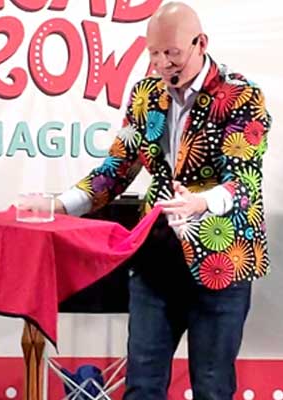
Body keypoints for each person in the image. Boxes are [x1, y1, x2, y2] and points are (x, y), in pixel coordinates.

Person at [54, 2, 272, 399]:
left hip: (221, 260)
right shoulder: (144, 95)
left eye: (171, 52)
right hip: (156, 260)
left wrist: (201, 203)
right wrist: (62, 203)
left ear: (200, 43)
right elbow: (116, 169)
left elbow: (244, 182)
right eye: (153, 53)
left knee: (212, 386)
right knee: (143, 385)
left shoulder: (241, 95)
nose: (161, 63)